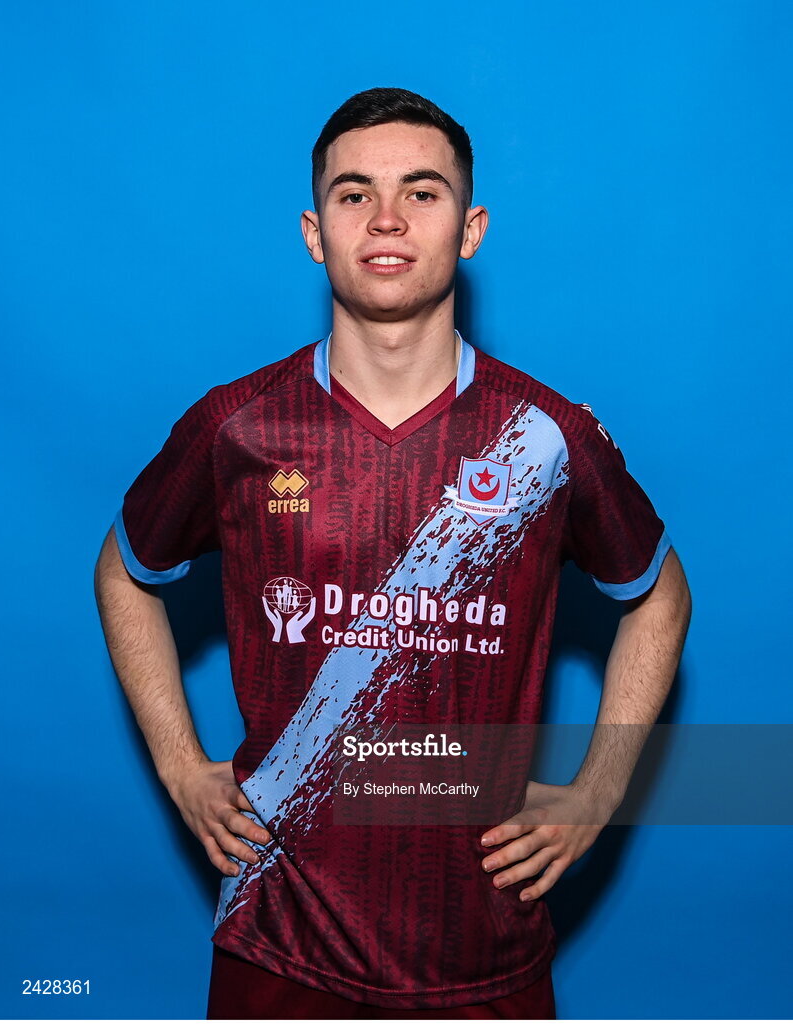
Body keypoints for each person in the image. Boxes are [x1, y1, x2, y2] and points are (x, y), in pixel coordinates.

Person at [94, 87, 692, 1019]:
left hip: (485, 949)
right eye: (353, 194)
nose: (385, 219)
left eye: (421, 192)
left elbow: (658, 594)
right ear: (313, 233)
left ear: (470, 229)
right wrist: (179, 764)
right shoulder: (237, 426)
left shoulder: (543, 437)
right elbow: (124, 571)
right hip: (277, 943)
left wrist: (599, 789)